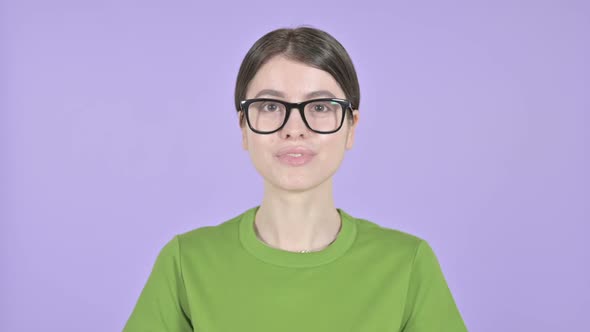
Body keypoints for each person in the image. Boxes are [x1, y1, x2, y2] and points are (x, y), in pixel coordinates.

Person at [123, 25, 467, 332]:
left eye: (319, 107)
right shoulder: (187, 262)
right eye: (271, 106)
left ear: (351, 127)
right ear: (243, 127)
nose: (294, 129)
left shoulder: (406, 264)